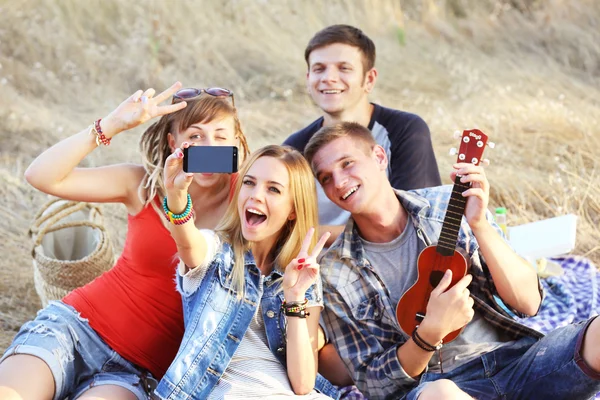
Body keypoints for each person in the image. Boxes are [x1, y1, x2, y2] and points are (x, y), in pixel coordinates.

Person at [304, 122, 600, 400]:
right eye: (326, 178)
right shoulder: (335, 273)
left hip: (518, 361)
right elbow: (373, 383)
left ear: (379, 157)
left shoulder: (449, 203)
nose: (340, 182)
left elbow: (529, 303)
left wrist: (479, 224)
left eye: (347, 163)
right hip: (439, 384)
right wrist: (429, 334)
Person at [0, 82, 250, 400]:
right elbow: (42, 176)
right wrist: (112, 125)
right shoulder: (143, 185)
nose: (207, 146)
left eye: (220, 136)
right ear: (174, 142)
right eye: (195, 136)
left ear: (237, 142)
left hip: (134, 373)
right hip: (75, 328)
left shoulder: (248, 204)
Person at [154, 145, 338, 399]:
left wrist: (295, 298)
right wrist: (176, 197)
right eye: (249, 183)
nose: (255, 195)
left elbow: (304, 384)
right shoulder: (216, 252)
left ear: (293, 210)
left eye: (273, 189)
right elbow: (188, 243)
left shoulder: (302, 274)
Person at [283, 24, 441, 244]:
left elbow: (414, 219)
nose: (329, 77)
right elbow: (281, 224)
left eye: (344, 68)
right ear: (308, 79)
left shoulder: (405, 130)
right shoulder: (295, 147)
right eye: (319, 69)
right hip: (322, 268)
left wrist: (311, 234)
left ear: (369, 79)